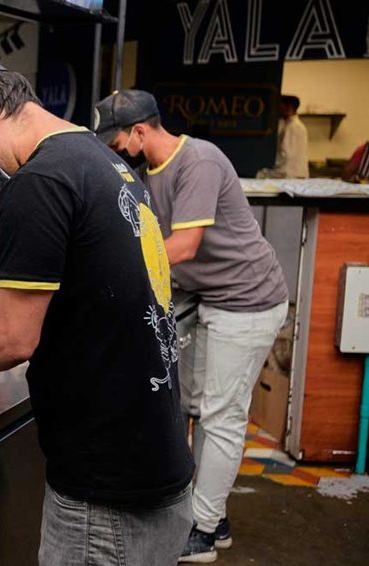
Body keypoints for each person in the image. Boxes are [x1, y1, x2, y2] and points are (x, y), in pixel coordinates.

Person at [0, 58, 194, 566]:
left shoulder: (39, 183)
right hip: (155, 459)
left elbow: (10, 342)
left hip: (106, 496)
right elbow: (92, 291)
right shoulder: (100, 160)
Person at [95, 90, 289, 563]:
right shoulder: (148, 171)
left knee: (221, 416)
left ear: (140, 131)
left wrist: (111, 270)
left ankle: (202, 531)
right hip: (206, 298)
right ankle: (210, 513)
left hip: (247, 300)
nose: (114, 149)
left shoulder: (198, 161)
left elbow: (182, 246)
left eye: (117, 139)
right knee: (193, 404)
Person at [273, 94, 309, 178]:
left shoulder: (293, 126)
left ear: (289, 107)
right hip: (293, 175)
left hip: (292, 175)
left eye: (280, 107)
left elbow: (286, 154)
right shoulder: (289, 125)